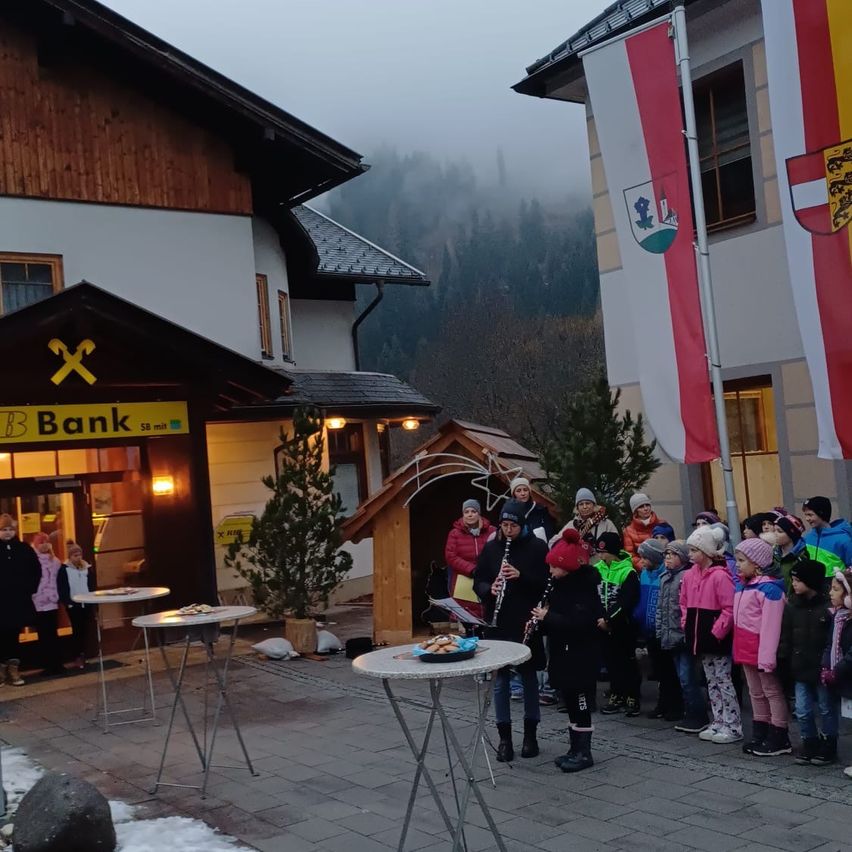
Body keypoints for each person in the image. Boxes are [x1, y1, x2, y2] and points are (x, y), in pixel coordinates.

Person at [474, 499, 548, 762]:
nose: (508, 530)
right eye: (504, 525)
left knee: (528, 678)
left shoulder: (537, 547)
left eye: (512, 526)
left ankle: (530, 735)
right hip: (499, 622)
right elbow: (478, 580)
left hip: (525, 621)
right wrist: (489, 589)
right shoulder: (492, 547)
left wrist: (521, 576)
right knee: (500, 680)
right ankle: (504, 738)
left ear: (522, 525)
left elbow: (546, 583)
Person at [535, 528, 604, 773]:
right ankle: (574, 748)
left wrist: (548, 617)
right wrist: (542, 621)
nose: (550, 571)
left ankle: (584, 752)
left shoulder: (583, 589)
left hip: (580, 654)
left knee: (581, 702)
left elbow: (580, 623)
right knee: (571, 701)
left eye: (554, 567)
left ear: (567, 566)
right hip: (563, 652)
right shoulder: (559, 585)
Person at [681, 527, 742, 743]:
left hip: (715, 638)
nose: (689, 554)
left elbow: (729, 607)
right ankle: (718, 720)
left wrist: (717, 631)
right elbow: (684, 603)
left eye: (694, 550)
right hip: (700, 637)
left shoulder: (720, 576)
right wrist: (686, 624)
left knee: (723, 680)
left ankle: (732, 725)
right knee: (711, 680)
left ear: (706, 552)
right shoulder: (690, 575)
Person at [732, 538, 790, 756]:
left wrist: (767, 658)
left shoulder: (770, 590)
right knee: (755, 692)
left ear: (757, 563)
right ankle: (760, 731)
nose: (737, 565)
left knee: (771, 691)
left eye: (741, 560)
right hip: (746, 649)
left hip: (762, 651)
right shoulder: (742, 586)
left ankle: (779, 734)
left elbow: (771, 627)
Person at [778, 560, 836, 766]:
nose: (793, 583)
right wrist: (783, 660)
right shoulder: (792, 606)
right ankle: (809, 741)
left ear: (810, 581)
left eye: (797, 580)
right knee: (802, 709)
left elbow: (832, 639)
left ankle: (829, 743)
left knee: (826, 707)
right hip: (800, 666)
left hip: (822, 667)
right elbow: (786, 637)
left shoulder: (828, 608)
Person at [659, 541, 707, 731]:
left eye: (673, 554)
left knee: (688, 678)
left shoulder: (686, 576)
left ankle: (698, 714)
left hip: (683, 635)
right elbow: (661, 608)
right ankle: (690, 712)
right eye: (666, 554)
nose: (668, 558)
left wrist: (687, 632)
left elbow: (687, 607)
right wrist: (660, 631)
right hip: (670, 634)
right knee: (682, 677)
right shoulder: (665, 577)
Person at [594, 531, 641, 716]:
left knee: (627, 660)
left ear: (613, 552)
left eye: (604, 552)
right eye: (599, 552)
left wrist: (609, 619)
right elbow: (593, 597)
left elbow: (626, 601)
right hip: (601, 625)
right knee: (611, 661)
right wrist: (600, 618)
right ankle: (616, 693)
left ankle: (632, 696)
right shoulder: (597, 569)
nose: (601, 556)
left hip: (623, 625)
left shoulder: (628, 572)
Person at [635, 539, 681, 721]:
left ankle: (675, 705)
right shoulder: (645, 574)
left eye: (644, 558)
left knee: (669, 670)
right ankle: (662, 703)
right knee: (659, 670)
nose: (641, 562)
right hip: (648, 629)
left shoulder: (665, 574)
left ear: (654, 557)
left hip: (663, 629)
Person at [816, 568, 852, 768]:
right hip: (834, 672)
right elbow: (829, 644)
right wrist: (825, 666)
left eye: (836, 589)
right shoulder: (836, 617)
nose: (830, 593)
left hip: (845, 673)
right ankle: (828, 746)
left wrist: (836, 670)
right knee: (828, 708)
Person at [0, 514, 40, 686]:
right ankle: (1, 670)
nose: (8, 532)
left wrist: (29, 588)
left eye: (10, 529)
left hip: (18, 601)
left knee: (14, 635)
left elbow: (36, 570)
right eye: (4, 529)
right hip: (1, 602)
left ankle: (13, 669)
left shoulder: (24, 548)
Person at [444, 499, 492, 622]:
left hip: (487, 578)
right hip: (464, 579)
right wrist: (471, 569)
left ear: (479, 513)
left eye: (473, 511)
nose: (470, 515)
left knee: (487, 611)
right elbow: (451, 556)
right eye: (466, 512)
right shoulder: (455, 533)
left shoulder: (492, 531)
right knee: (467, 615)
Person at [57, 543, 95, 669]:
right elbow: (62, 587)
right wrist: (68, 602)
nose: (78, 558)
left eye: (79, 555)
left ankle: (84, 654)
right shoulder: (65, 569)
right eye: (75, 555)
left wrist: (92, 599)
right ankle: (77, 656)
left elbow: (91, 585)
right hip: (74, 604)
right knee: (77, 630)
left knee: (85, 630)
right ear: (70, 556)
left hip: (86, 603)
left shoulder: (86, 568)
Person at [31, 532, 64, 676]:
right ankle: (47, 665)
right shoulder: (32, 560)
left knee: (52, 633)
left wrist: (55, 595)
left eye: (46, 542)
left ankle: (56, 664)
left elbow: (57, 580)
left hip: (52, 601)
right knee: (43, 634)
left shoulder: (55, 561)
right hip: (38, 602)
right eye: (41, 542)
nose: (44, 545)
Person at [548, 487, 618, 551]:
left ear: (594, 505)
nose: (584, 507)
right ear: (577, 508)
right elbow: (552, 543)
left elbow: (617, 543)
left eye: (587, 503)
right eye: (581, 504)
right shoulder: (572, 524)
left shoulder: (606, 523)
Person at [802, 496, 852, 577]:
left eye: (810, 515)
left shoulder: (843, 539)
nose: (807, 518)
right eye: (805, 515)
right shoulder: (807, 537)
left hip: (835, 583)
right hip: (812, 583)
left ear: (821, 514)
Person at [623, 493, 666, 569]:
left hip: (663, 568)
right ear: (635, 510)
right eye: (641, 506)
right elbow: (630, 555)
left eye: (647, 505)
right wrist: (644, 566)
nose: (646, 508)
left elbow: (669, 547)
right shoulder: (628, 531)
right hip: (644, 570)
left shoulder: (662, 524)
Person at [508, 477, 555, 543]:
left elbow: (549, 533)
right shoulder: (510, 512)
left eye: (525, 490)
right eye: (518, 491)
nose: (523, 493)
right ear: (514, 494)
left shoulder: (540, 510)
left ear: (529, 492)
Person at [769, 514, 807, 592]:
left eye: (779, 531)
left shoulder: (801, 557)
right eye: (774, 530)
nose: (775, 534)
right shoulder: (772, 552)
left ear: (791, 534)